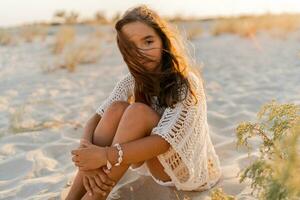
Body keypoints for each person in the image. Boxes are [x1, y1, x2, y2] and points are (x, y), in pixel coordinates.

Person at [65, 4, 222, 200]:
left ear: (163, 40)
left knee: (137, 112)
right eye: (132, 47)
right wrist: (86, 155)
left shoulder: (185, 83)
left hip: (184, 171)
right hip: (144, 158)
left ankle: (95, 196)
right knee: (115, 109)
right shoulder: (131, 81)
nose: (142, 52)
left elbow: (164, 142)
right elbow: (96, 118)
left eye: (148, 41)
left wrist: (104, 156)